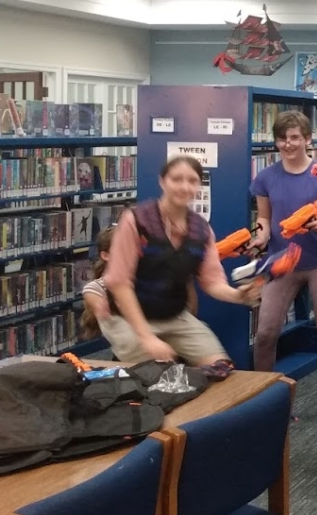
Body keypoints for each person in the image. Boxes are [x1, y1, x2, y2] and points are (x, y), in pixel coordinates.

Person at [249, 111, 317, 421]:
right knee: (267, 331)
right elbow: (264, 219)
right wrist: (260, 238)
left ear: (307, 140)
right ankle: (263, 395)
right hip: (283, 261)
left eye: (295, 137)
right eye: (282, 138)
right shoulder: (266, 177)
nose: (288, 143)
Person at [102, 155, 257, 367]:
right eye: (176, 179)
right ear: (162, 181)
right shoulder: (136, 220)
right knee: (158, 375)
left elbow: (212, 282)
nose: (184, 187)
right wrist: (146, 337)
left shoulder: (201, 230)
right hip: (129, 318)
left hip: (174, 316)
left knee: (220, 368)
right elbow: (119, 283)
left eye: (192, 181)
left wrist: (239, 295)